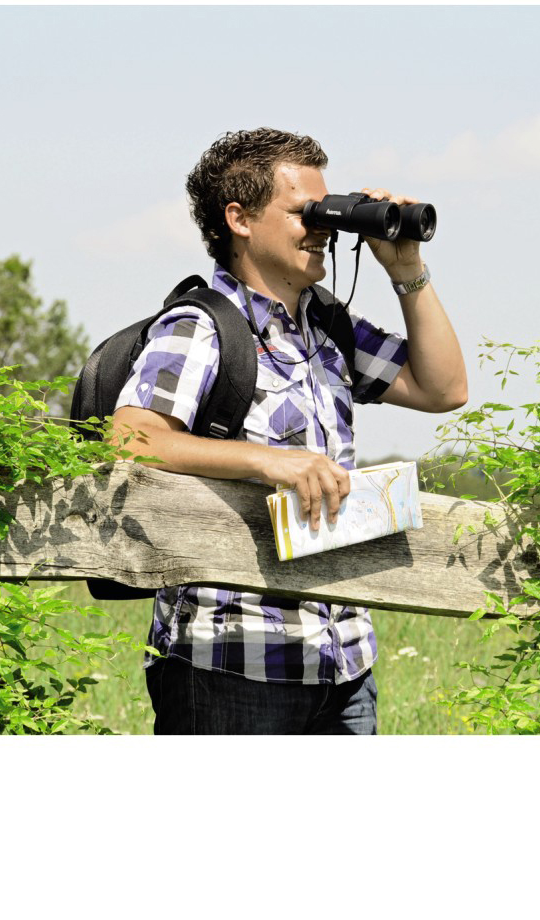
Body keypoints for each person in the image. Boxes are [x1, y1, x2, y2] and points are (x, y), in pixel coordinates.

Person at [112, 128, 467, 734]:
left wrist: (407, 269)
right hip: (231, 662)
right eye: (304, 211)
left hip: (343, 658)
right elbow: (130, 437)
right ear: (240, 218)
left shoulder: (327, 327)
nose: (323, 226)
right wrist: (268, 460)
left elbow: (444, 390)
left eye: (327, 211)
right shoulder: (202, 327)